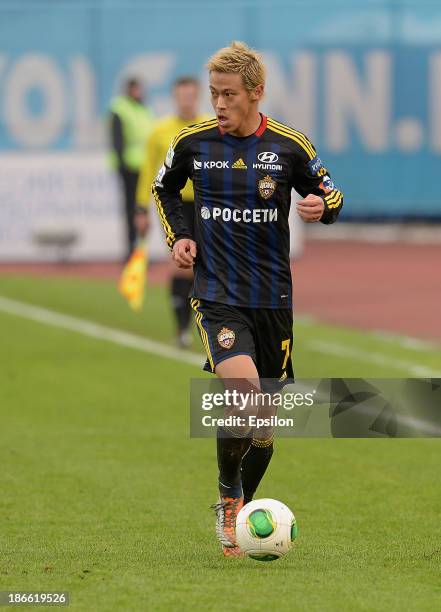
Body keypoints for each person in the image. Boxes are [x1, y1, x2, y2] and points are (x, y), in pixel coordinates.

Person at [152, 42, 344, 556]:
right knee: (244, 394)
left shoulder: (289, 146)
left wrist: (319, 206)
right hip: (217, 295)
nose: (218, 104)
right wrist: (181, 237)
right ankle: (228, 498)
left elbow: (333, 194)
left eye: (229, 94)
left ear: (255, 93)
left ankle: (243, 506)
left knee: (264, 429)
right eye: (214, 93)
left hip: (273, 300)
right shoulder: (192, 144)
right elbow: (164, 189)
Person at [135, 77, 209, 348]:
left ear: (198, 96)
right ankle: (181, 328)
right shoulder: (160, 131)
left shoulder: (209, 127)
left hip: (207, 204)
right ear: (174, 98)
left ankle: (212, 328)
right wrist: (141, 208)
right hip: (176, 205)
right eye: (181, 96)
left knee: (209, 267)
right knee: (182, 264)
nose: (186, 100)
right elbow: (149, 171)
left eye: (190, 95)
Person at [109, 78, 155, 260]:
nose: (139, 92)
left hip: (145, 167)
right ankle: (131, 250)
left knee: (142, 210)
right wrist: (121, 164)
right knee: (131, 210)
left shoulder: (145, 109)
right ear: (128, 90)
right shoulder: (120, 108)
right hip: (129, 167)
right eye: (135, 89)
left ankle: (140, 250)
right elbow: (117, 139)